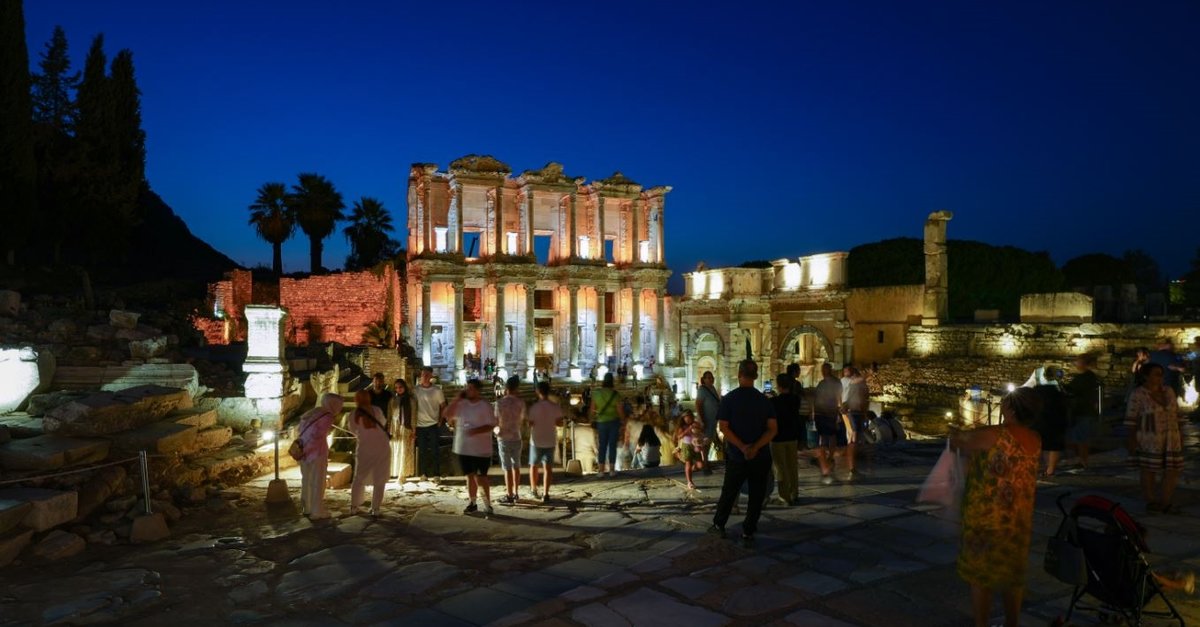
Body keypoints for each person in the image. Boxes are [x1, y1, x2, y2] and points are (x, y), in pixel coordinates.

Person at [952, 387, 1042, 627]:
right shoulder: (1035, 439)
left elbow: (958, 442)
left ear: (1010, 408)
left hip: (987, 518)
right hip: (1018, 519)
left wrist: (960, 431)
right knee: (1012, 576)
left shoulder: (995, 435)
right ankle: (1012, 622)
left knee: (981, 577)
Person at [709, 359, 778, 545]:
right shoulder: (764, 401)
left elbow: (724, 427)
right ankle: (748, 531)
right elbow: (772, 429)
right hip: (760, 456)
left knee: (729, 492)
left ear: (739, 374)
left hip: (737, 456)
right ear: (756, 376)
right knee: (757, 494)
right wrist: (755, 447)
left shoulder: (729, 399)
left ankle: (719, 525)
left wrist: (742, 447)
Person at [1126, 362, 1185, 513]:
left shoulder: (1169, 391)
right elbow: (1131, 419)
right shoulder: (1138, 394)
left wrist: (1181, 433)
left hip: (1171, 438)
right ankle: (1151, 501)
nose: (1160, 377)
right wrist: (1131, 440)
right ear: (1146, 376)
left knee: (1172, 470)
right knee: (1148, 470)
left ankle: (1165, 502)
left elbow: (1177, 413)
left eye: (1161, 374)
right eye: (1156, 374)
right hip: (1149, 439)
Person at [444, 379, 497, 515]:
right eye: (467, 388)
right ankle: (472, 503)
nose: (468, 390)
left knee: (481, 477)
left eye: (471, 388)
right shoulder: (462, 404)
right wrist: (457, 398)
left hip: (481, 449)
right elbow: (447, 414)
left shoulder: (484, 406)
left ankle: (487, 504)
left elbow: (491, 424)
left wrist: (475, 431)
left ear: (478, 390)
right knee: (469, 476)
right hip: (464, 447)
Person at [296, 393, 342, 520]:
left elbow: (300, 430)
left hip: (303, 451)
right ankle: (317, 511)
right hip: (317, 453)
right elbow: (317, 436)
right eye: (339, 405)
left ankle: (307, 507)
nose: (339, 408)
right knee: (318, 481)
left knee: (306, 480)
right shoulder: (327, 416)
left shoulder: (314, 412)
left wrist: (305, 449)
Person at [349, 389, 390, 516]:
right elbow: (383, 422)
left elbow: (353, 430)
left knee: (359, 476)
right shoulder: (377, 410)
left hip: (365, 447)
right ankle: (375, 508)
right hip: (382, 446)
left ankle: (354, 506)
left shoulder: (354, 414)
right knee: (380, 478)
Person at [526, 382, 563, 503]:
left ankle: (533, 489)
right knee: (548, 468)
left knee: (534, 466)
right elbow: (559, 423)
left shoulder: (534, 407)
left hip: (536, 440)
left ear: (538, 392)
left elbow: (530, 423)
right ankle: (546, 493)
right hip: (550, 439)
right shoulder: (555, 407)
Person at [1063, 354, 1101, 470]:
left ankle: (1083, 461)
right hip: (1083, 410)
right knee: (1079, 438)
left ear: (1084, 363)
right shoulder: (1088, 377)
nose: (1076, 364)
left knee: (1082, 438)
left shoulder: (1085, 377)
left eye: (1078, 361)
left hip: (1083, 411)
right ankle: (1082, 460)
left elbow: (1071, 390)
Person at [770, 374, 802, 506]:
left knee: (780, 468)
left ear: (779, 386)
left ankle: (784, 497)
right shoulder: (796, 399)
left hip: (778, 438)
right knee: (792, 466)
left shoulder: (774, 401)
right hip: (792, 436)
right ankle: (794, 493)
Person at [589, 372, 626, 477]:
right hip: (614, 422)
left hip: (601, 422)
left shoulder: (596, 394)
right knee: (612, 445)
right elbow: (620, 410)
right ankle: (612, 470)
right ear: (612, 382)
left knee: (602, 445)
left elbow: (592, 409)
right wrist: (623, 420)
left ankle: (601, 470)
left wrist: (591, 419)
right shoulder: (616, 394)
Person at [495, 376, 525, 504]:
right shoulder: (521, 403)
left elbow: (495, 421)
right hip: (516, 436)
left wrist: (495, 431)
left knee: (507, 467)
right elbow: (521, 420)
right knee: (516, 465)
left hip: (503, 437)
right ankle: (516, 492)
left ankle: (509, 494)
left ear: (506, 388)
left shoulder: (499, 403)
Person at [813, 363, 844, 484]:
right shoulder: (826, 383)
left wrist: (839, 410)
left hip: (827, 413)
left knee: (829, 436)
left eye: (824, 369)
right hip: (824, 413)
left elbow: (838, 397)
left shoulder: (829, 383)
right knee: (826, 437)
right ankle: (827, 462)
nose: (823, 371)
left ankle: (828, 460)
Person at [414, 366, 446, 480]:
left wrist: (440, 420)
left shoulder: (437, 390)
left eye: (427, 375)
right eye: (423, 375)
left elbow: (443, 406)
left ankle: (436, 474)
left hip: (433, 424)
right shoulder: (416, 390)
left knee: (435, 450)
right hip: (420, 424)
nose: (425, 377)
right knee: (422, 450)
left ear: (431, 376)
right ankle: (423, 473)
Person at [841, 366, 869, 479]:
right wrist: (869, 373)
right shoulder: (847, 381)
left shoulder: (860, 384)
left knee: (855, 439)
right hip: (851, 412)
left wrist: (865, 413)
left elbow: (865, 397)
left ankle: (853, 466)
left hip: (859, 412)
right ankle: (852, 467)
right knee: (854, 437)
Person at [388, 378, 416, 482]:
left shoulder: (411, 400)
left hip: (406, 427)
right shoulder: (392, 400)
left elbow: (414, 415)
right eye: (396, 388)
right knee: (396, 450)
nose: (398, 389)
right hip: (395, 427)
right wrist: (389, 429)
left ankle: (402, 474)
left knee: (404, 450)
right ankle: (395, 473)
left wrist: (414, 430)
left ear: (404, 387)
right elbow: (389, 415)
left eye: (400, 387)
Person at [696, 371, 722, 466]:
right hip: (706, 420)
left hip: (712, 421)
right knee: (705, 441)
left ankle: (706, 461)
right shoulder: (702, 390)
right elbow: (698, 404)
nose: (711, 379)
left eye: (712, 377)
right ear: (704, 379)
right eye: (709, 377)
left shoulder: (712, 388)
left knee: (709, 440)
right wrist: (702, 420)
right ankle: (705, 462)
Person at [674, 411, 704, 490]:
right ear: (683, 419)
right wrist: (687, 430)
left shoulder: (695, 423)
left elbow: (701, 430)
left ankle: (693, 467)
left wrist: (698, 427)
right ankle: (689, 482)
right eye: (686, 419)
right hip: (687, 446)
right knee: (688, 463)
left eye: (690, 418)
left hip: (695, 445)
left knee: (700, 465)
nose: (688, 420)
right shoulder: (682, 427)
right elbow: (679, 436)